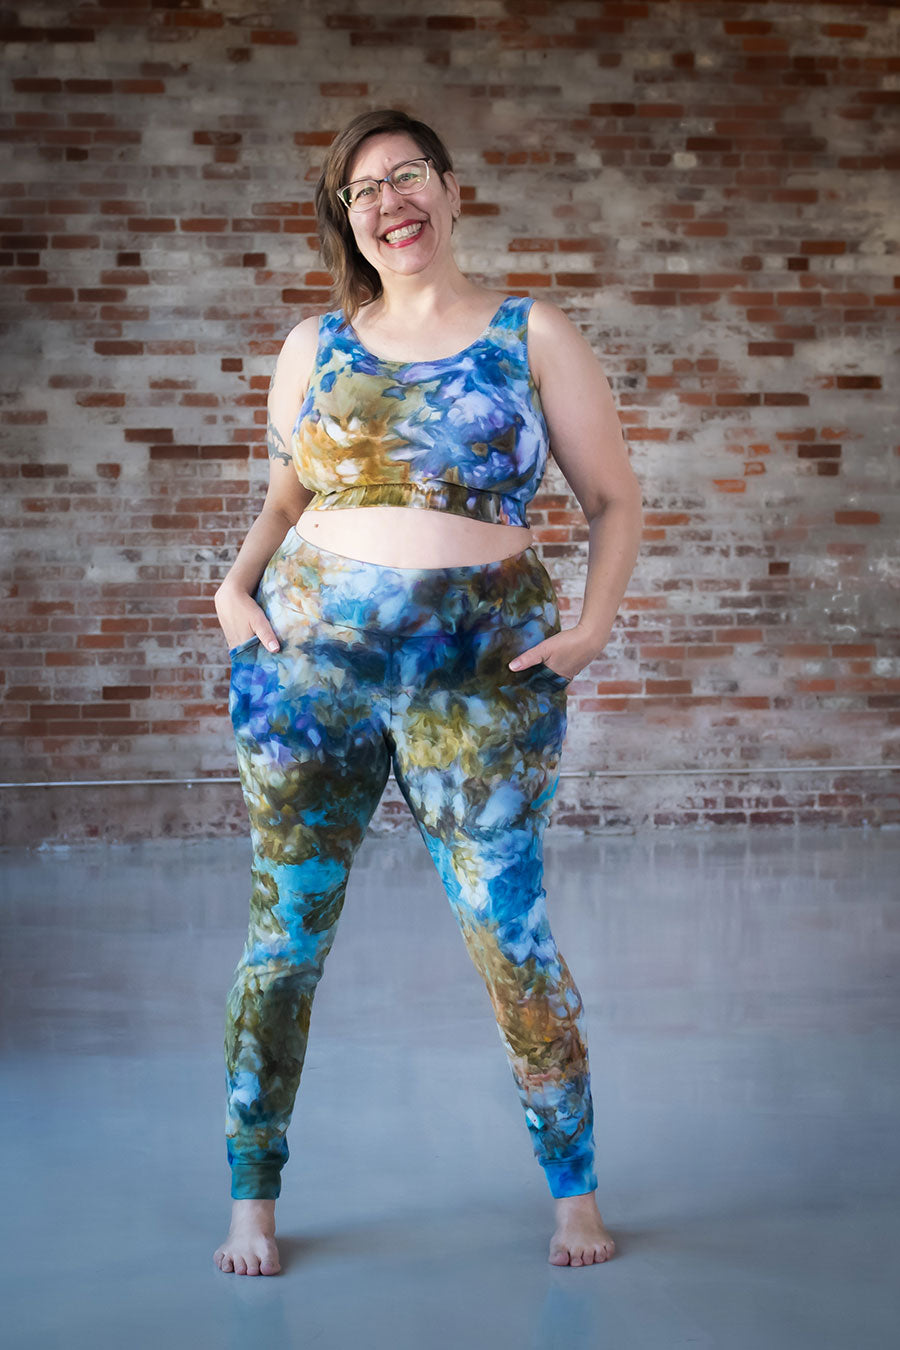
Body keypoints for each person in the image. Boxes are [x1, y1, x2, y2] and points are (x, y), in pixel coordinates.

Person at [213, 108, 643, 1277]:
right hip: (310, 678)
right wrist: (234, 587)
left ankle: (574, 1195)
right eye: (362, 191)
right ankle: (252, 1200)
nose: (388, 202)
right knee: (283, 941)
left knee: (511, 934)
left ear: (451, 192)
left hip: (484, 681)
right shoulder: (315, 344)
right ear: (346, 219)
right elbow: (287, 496)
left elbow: (613, 497)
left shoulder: (529, 331)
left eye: (406, 177)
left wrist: (592, 628)